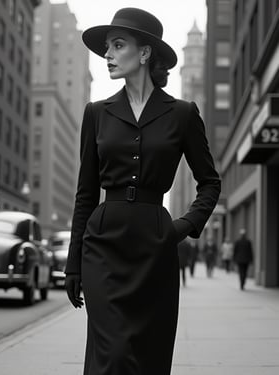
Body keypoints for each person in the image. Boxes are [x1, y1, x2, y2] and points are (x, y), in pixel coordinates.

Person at [64, 8, 221, 375]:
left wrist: (181, 228)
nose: (109, 55)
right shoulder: (96, 113)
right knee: (113, 354)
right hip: (103, 245)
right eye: (108, 47)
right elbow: (86, 192)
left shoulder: (182, 114)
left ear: (145, 53)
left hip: (155, 246)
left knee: (149, 355)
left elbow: (210, 182)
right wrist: (74, 263)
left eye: (119, 46)